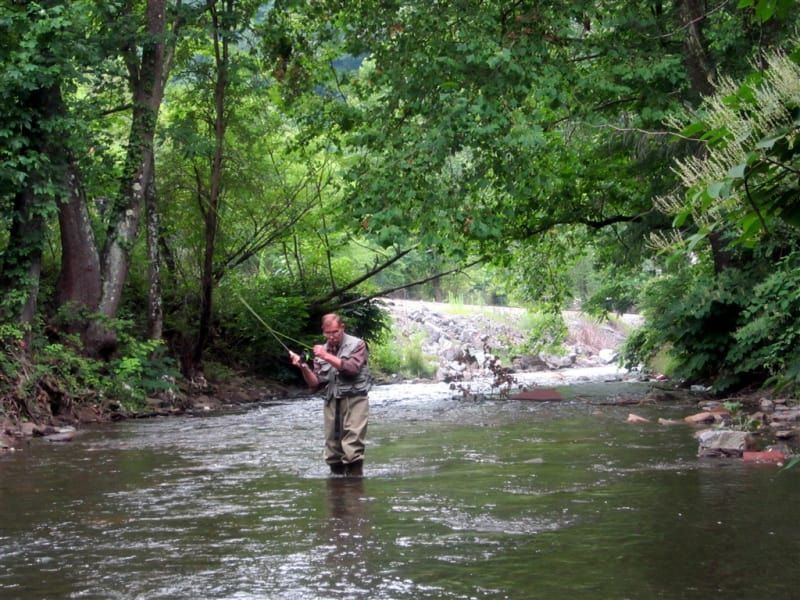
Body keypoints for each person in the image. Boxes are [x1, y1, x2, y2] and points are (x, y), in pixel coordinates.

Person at [289, 313, 371, 477]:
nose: (332, 336)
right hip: (332, 400)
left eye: (335, 332)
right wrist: (303, 366)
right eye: (328, 333)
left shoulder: (358, 344)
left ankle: (355, 487)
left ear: (342, 327)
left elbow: (352, 368)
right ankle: (336, 488)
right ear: (323, 331)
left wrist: (325, 355)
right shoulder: (321, 351)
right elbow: (315, 383)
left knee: (352, 443)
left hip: (355, 399)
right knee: (332, 447)